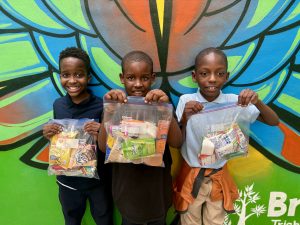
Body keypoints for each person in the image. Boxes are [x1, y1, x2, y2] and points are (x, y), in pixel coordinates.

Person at [174, 47, 279, 225]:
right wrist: (185, 117)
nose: (212, 79)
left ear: (226, 76)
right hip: (191, 178)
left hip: (218, 178)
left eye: (219, 73)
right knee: (189, 221)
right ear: (195, 76)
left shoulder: (235, 101)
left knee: (215, 221)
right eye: (204, 73)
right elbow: (177, 141)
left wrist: (257, 101)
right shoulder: (186, 101)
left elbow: (273, 121)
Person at [98, 50, 183, 225]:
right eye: (131, 78)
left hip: (157, 192)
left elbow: (177, 142)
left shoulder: (161, 103)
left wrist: (166, 109)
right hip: (127, 192)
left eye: (144, 78)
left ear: (152, 78)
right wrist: (109, 113)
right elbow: (102, 147)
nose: (138, 84)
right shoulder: (115, 105)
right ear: (122, 78)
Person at [42, 47, 113, 225]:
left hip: (98, 181)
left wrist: (101, 132)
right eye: (66, 75)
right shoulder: (58, 105)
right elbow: (58, 139)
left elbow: (111, 144)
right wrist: (48, 134)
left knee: (104, 220)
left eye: (79, 75)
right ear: (60, 76)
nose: (72, 80)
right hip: (67, 181)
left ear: (88, 78)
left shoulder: (102, 106)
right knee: (71, 221)